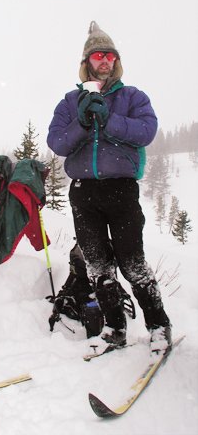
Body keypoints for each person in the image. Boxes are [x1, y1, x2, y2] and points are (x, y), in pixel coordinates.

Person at [47, 21, 172, 354]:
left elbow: (146, 131)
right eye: (97, 55)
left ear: (116, 61)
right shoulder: (70, 102)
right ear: (87, 61)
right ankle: (114, 328)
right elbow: (57, 141)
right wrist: (84, 121)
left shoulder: (133, 97)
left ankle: (159, 326)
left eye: (109, 55)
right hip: (83, 193)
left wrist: (109, 120)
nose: (103, 61)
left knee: (132, 262)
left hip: (121, 191)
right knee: (97, 265)